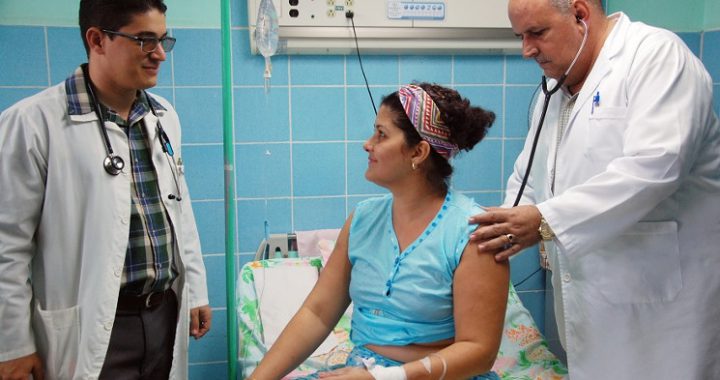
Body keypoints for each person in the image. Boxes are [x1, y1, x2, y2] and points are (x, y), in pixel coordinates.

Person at [469, 0, 720, 379]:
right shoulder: (552, 93)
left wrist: (544, 221)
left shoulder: (656, 56)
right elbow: (532, 174)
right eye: (521, 37)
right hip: (590, 305)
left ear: (580, 14)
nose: (527, 50)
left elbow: (657, 165)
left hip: (663, 307)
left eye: (537, 33)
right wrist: (502, 224)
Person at [0, 0, 212, 379]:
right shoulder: (32, 124)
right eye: (145, 40)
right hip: (96, 321)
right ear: (97, 40)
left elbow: (179, 210)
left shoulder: (163, 117)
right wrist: (12, 343)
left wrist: (195, 289)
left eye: (163, 40)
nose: (160, 54)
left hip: (163, 313)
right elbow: (6, 245)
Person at [250, 83, 507, 379]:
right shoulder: (363, 219)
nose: (367, 144)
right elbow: (317, 313)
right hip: (362, 370)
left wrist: (385, 377)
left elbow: (479, 351)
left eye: (381, 134)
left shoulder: (474, 233)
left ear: (418, 152)